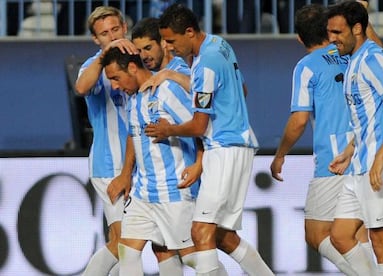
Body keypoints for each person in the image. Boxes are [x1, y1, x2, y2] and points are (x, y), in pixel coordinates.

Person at [145, 4, 274, 275]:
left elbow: (199, 125)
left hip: (225, 148)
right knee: (221, 237)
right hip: (234, 144)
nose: (168, 47)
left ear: (189, 32)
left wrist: (167, 130)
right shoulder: (219, 44)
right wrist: (173, 74)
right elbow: (242, 89)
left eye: (171, 40)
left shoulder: (205, 63)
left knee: (200, 231)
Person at [269, 3, 380, 275]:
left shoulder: (306, 66)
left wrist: (280, 154)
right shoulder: (354, 52)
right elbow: (379, 52)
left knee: (316, 233)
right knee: (357, 231)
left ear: (299, 38)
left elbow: (299, 121)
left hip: (334, 158)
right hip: (366, 150)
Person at [100, 46, 203, 276]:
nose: (115, 86)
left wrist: (199, 162)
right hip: (143, 194)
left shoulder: (167, 91)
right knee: (127, 252)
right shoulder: (133, 100)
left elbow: (201, 126)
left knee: (193, 258)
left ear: (133, 68)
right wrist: (127, 174)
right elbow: (134, 137)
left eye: (116, 78)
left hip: (173, 192)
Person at [327, 1, 383, 275]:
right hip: (360, 164)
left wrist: (380, 156)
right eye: (330, 32)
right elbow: (368, 116)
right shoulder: (356, 59)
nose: (331, 38)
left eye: (337, 32)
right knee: (340, 235)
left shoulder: (374, 59)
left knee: (382, 244)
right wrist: (351, 149)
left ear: (357, 29)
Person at [74, 6, 137, 276]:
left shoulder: (141, 58)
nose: (111, 37)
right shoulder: (94, 66)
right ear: (95, 40)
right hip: (110, 165)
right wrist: (103, 58)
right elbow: (81, 87)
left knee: (135, 241)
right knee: (124, 239)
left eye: (114, 30)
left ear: (124, 28)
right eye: (104, 34)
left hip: (145, 164)